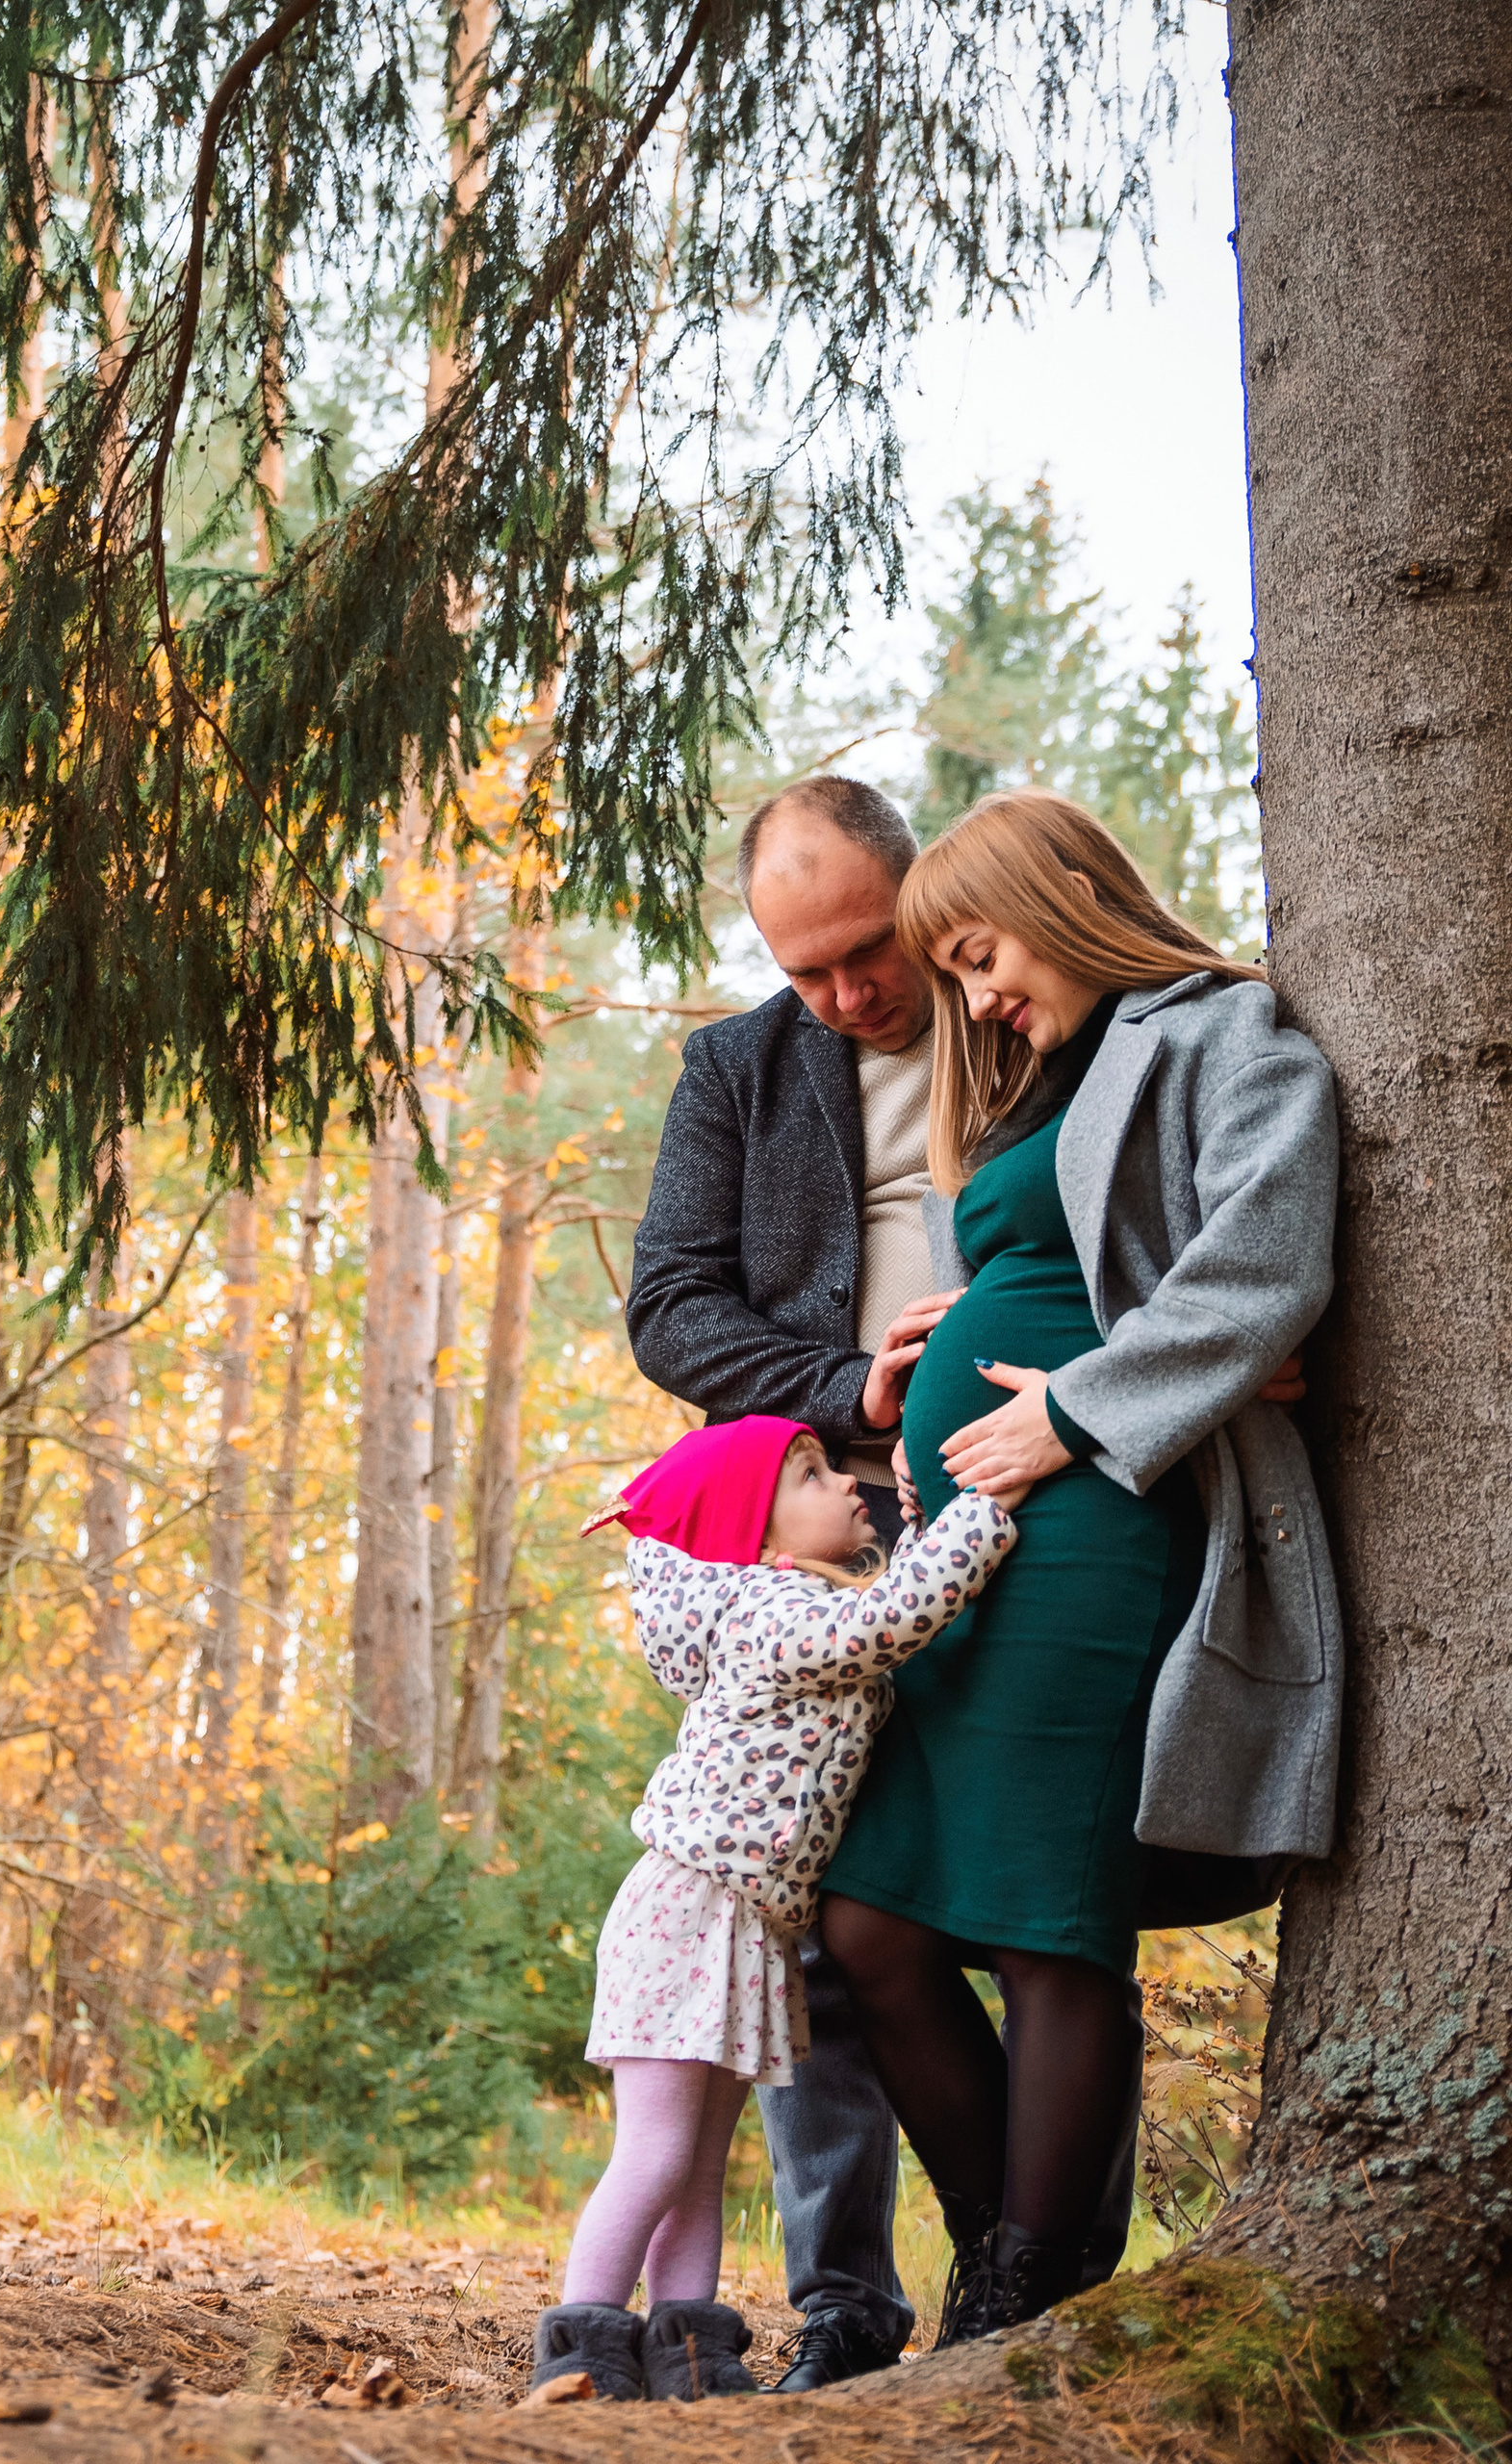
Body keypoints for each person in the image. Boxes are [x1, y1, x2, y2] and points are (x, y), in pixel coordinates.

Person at [818, 789, 1342, 2340]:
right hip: (962, 1558)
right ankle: (1014, 2279)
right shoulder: (1039, 1079)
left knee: (1051, 1922)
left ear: (1064, 897)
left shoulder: (1218, 1034)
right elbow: (1055, 1271)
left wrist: (1078, 1409)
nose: (974, 999)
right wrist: (932, 1348)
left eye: (982, 955)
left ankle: (1023, 2305)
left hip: (1096, 1531)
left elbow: (1266, 1261)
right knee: (873, 1926)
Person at [625, 776, 1002, 2388]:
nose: (850, 995)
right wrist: (849, 1385)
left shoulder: (1027, 1015)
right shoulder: (737, 1071)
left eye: (867, 950)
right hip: (824, 1527)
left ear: (923, 892)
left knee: (1013, 1894)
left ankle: (1029, 2257)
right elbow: (673, 1315)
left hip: (1024, 1499)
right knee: (796, 1913)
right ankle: (845, 2296)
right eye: (809, 973)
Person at [530, 1416, 1019, 2404]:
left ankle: (692, 2365)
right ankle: (578, 2351)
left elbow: (886, 1598)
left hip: (742, 1920)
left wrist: (922, 1521)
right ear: (758, 1538)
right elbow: (892, 1622)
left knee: (701, 2165)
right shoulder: (769, 1609)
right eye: (812, 1474)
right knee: (658, 2150)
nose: (847, 1483)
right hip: (690, 1907)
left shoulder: (794, 1597)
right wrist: (988, 1506)